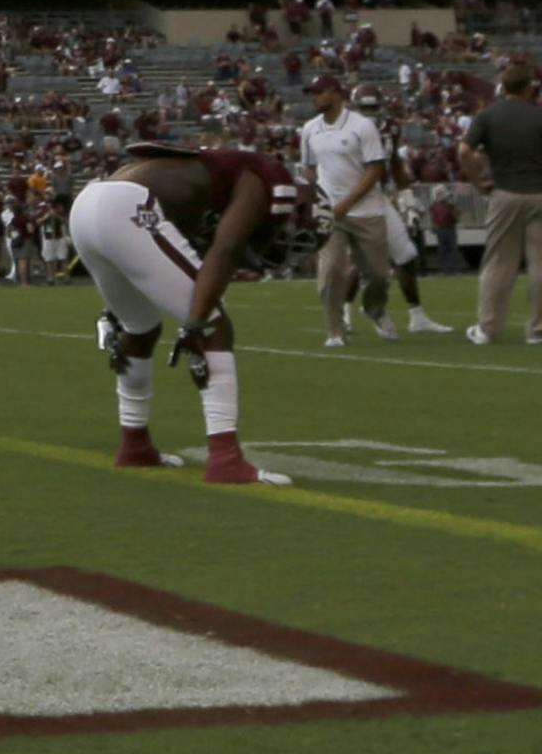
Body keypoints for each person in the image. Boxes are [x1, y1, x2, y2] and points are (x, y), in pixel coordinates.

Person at [66, 141, 294, 485]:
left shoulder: (203, 172)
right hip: (125, 208)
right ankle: (225, 460)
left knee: (139, 326)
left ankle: (134, 446)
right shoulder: (266, 176)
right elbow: (227, 247)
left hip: (86, 206)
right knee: (214, 324)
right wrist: (197, 321)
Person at [297, 73, 395, 350]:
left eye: (318, 92)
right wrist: (314, 200)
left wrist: (346, 204)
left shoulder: (362, 126)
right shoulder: (309, 129)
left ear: (335, 93)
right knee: (329, 273)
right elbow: (309, 169)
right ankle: (335, 330)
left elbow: (375, 169)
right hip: (330, 213)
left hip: (367, 211)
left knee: (378, 274)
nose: (313, 98)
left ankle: (375, 308)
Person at [348, 89, 451, 335]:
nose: (370, 114)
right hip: (350, 199)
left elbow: (394, 164)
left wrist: (407, 200)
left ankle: (417, 316)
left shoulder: (388, 129)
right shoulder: (345, 131)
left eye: (373, 108)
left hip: (378, 197)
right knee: (356, 262)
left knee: (405, 254)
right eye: (366, 109)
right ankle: (343, 316)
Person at [457, 62, 542, 346]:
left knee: (498, 263)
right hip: (539, 193)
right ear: (530, 87)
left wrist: (478, 181)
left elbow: (464, 151)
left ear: (503, 87)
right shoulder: (539, 115)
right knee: (540, 265)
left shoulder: (487, 116)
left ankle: (488, 328)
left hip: (505, 191)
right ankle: (538, 330)